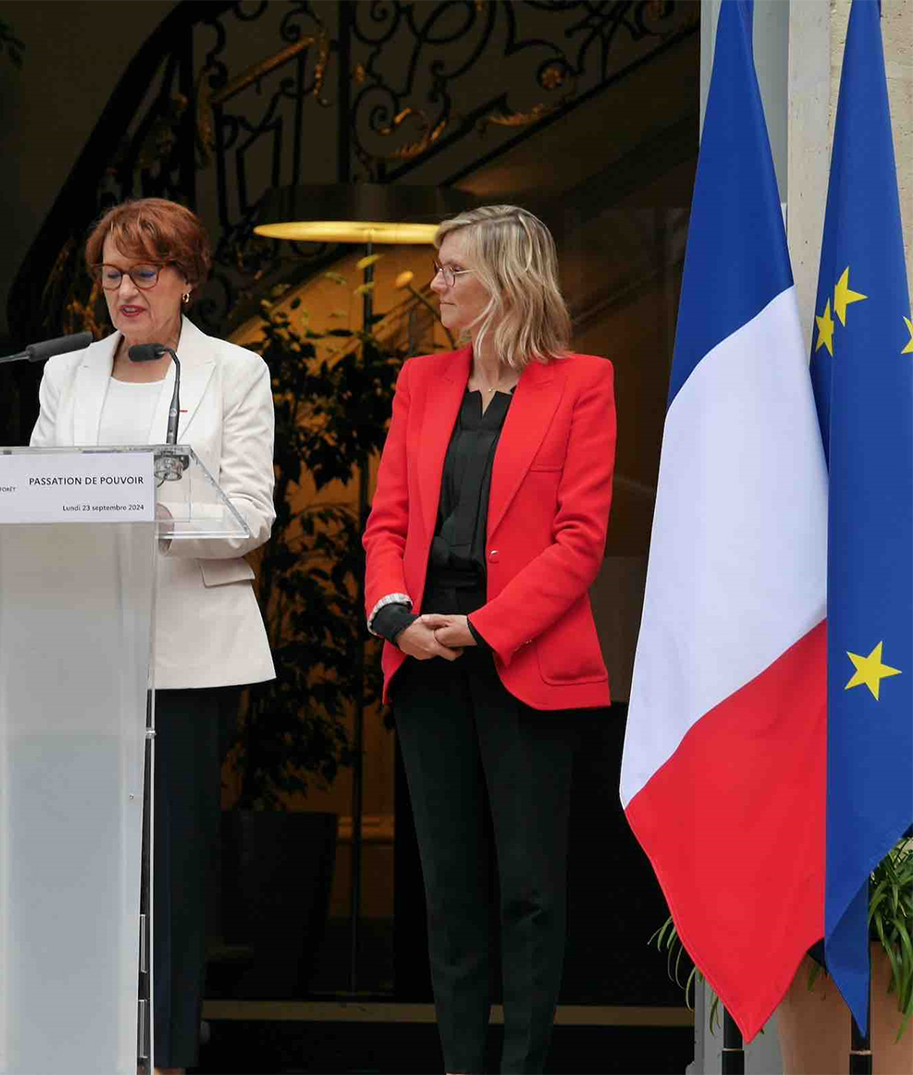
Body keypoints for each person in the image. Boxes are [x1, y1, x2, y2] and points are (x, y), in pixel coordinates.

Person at [363, 204, 615, 1074]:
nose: (435, 285)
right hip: (424, 653)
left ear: (507, 279)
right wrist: (395, 615)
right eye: (437, 269)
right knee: (449, 892)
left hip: (522, 656)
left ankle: (523, 1065)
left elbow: (579, 539)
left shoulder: (582, 381)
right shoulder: (419, 382)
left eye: (452, 270)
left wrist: (480, 627)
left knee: (529, 892)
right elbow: (386, 520)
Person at [29, 197, 276, 1072]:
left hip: (190, 646)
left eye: (144, 274)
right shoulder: (65, 377)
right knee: (84, 861)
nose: (125, 293)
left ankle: (167, 1053)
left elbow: (249, 512)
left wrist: (143, 507)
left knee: (172, 869)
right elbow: (37, 499)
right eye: (110, 276)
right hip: (82, 648)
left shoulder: (235, 373)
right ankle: (83, 1046)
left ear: (184, 276)